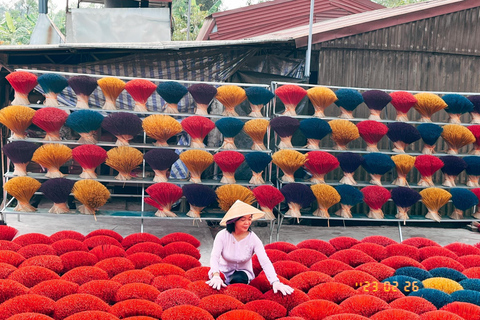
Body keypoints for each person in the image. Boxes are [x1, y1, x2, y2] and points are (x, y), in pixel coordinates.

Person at [206, 200, 294, 295]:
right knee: (214, 288)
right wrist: (215, 275)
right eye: (243, 220)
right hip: (222, 271)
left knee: (238, 280)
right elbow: (214, 257)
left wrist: (275, 282)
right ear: (233, 221)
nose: (247, 223)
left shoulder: (253, 238)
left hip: (242, 275)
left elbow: (265, 261)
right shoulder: (222, 235)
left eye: (249, 219)